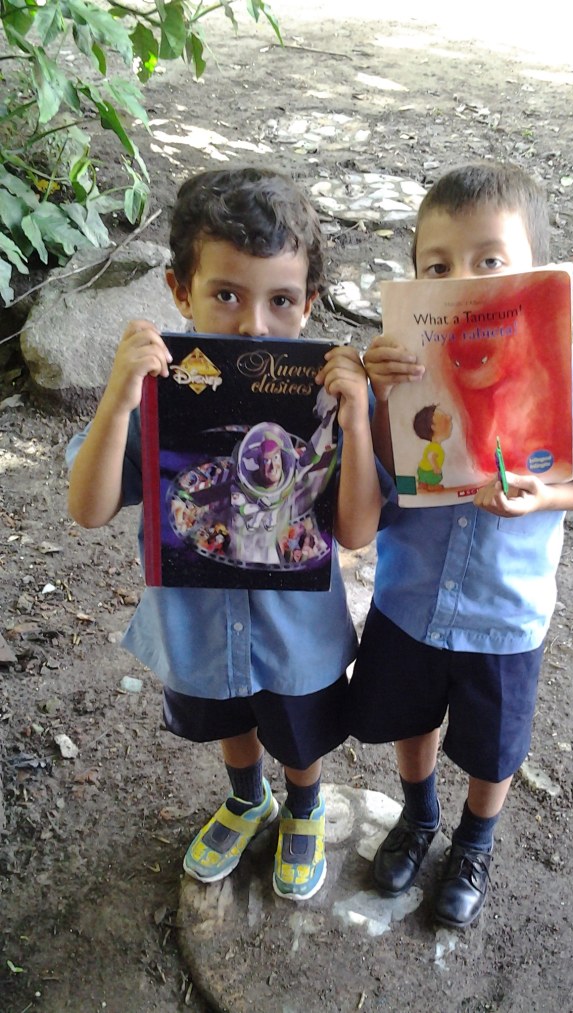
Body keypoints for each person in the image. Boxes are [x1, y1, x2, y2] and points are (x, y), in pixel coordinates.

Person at [347, 161, 573, 928]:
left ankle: (475, 839)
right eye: (437, 266)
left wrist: (551, 495)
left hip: (506, 615)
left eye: (490, 260)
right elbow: (383, 473)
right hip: (409, 598)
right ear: (414, 277)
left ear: (537, 274)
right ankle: (419, 816)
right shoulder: (406, 370)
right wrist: (376, 397)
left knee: (491, 746)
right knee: (410, 718)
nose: (463, 279)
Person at [67, 167, 380, 901]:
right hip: (198, 626)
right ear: (182, 291)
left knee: (297, 732)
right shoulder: (161, 389)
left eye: (281, 300)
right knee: (226, 718)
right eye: (227, 294)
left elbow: (358, 530)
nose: (254, 326)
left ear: (310, 303)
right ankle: (249, 797)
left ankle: (302, 804)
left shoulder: (328, 399)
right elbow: (88, 507)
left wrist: (359, 420)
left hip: (293, 632)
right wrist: (119, 399)